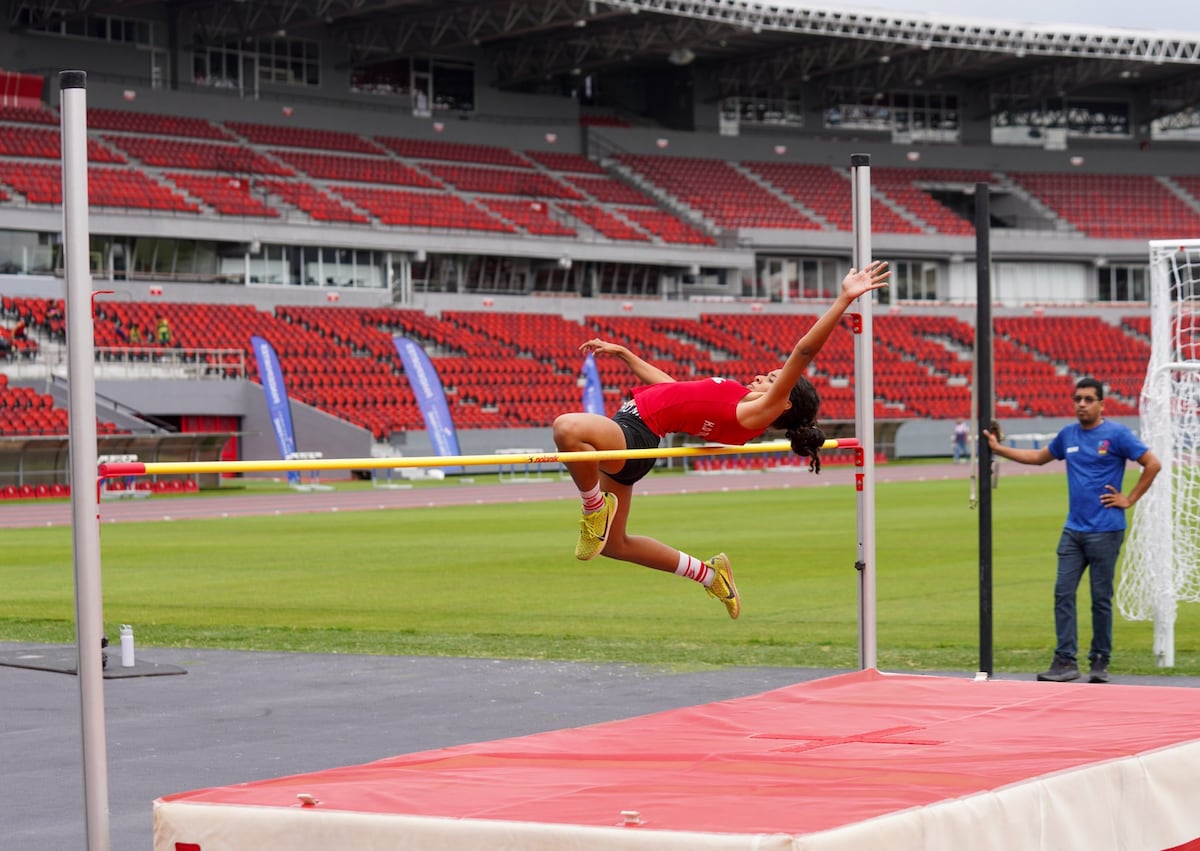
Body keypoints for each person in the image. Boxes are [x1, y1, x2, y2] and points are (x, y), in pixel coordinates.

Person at [553, 260, 890, 619]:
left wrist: (842, 301)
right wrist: (626, 354)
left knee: (568, 429)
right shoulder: (737, 401)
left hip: (634, 435)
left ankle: (593, 510)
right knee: (615, 545)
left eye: (772, 378)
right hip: (634, 433)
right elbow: (670, 391)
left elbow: (803, 352)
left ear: (783, 399)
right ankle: (709, 574)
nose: (761, 375)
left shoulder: (758, 411)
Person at [982, 377, 1161, 684]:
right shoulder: (1068, 435)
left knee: (1100, 598)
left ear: (1101, 404)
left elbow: (1152, 464)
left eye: (1088, 399)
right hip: (1073, 530)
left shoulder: (1117, 435)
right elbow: (1039, 458)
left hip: (1106, 530)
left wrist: (1128, 498)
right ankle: (1065, 660)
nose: (1081, 404)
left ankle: (1100, 659)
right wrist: (998, 449)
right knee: (1063, 593)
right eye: (1077, 399)